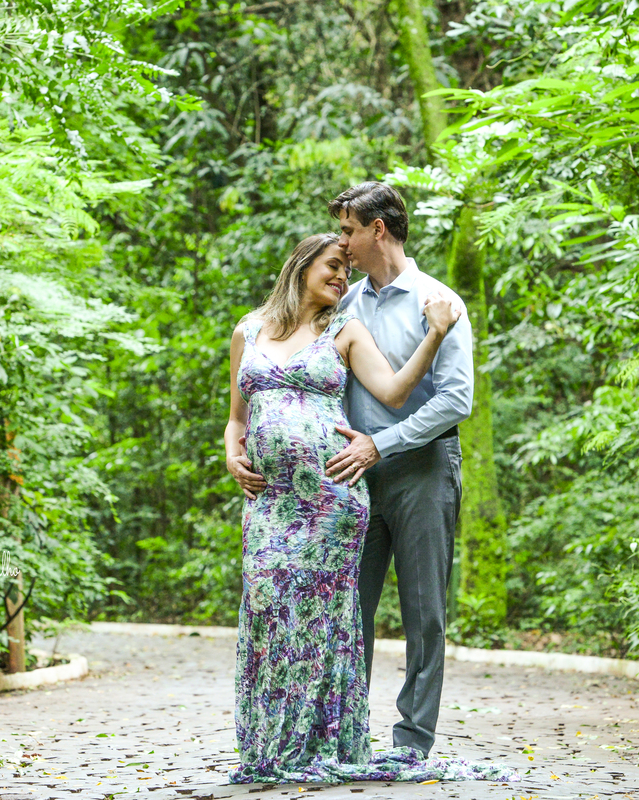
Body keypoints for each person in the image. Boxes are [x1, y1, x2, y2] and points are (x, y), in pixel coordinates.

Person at [223, 232, 514, 786]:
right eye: (332, 265)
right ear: (300, 266)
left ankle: (359, 737)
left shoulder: (349, 324)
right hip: (273, 502)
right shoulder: (249, 330)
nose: (342, 272)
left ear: (377, 229)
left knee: (352, 617)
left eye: (345, 257)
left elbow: (400, 391)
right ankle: (272, 740)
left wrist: (435, 332)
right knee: (268, 613)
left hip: (338, 498)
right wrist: (232, 455)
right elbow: (237, 417)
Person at [325, 182, 472, 759]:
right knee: (348, 609)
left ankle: (412, 744)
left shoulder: (440, 301)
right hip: (351, 476)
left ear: (377, 230)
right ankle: (347, 739)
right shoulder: (342, 304)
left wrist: (381, 445)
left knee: (423, 612)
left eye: (347, 230)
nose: (343, 243)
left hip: (424, 469)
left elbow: (455, 399)